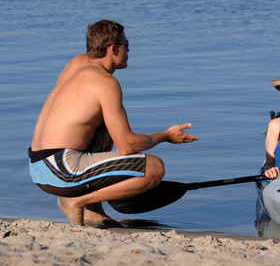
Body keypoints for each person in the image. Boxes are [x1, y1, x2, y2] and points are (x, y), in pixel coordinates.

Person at [28, 19, 199, 226]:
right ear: (113, 49)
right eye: (126, 45)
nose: (129, 50)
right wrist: (166, 136)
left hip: (39, 167)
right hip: (62, 170)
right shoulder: (106, 83)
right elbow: (127, 146)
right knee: (154, 168)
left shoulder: (77, 63)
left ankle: (94, 213)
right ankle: (75, 201)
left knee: (103, 132)